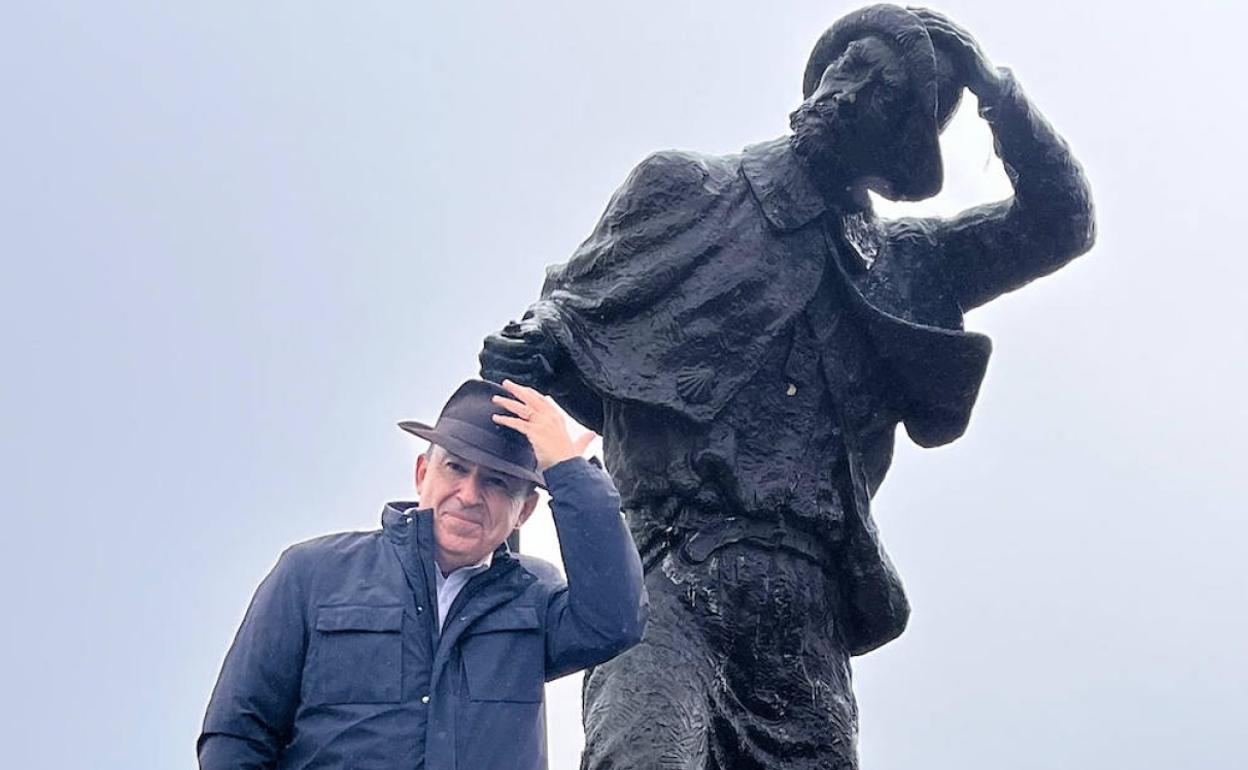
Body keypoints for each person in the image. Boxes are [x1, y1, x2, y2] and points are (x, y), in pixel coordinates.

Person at [479, 5, 1094, 769]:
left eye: (878, 87)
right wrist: (526, 351)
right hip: (671, 576)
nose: (845, 89)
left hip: (806, 621)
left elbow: (1061, 224)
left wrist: (992, 88)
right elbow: (568, 319)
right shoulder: (686, 189)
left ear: (898, 139)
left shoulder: (904, 265)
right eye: (847, 65)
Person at [198, 378, 647, 770]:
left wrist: (570, 474)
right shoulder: (310, 574)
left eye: (497, 482)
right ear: (421, 473)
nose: (469, 495)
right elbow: (237, 735)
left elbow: (618, 620)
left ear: (524, 511)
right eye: (456, 467)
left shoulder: (536, 596)